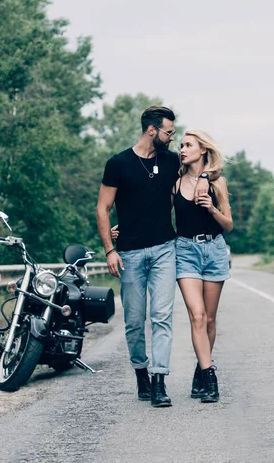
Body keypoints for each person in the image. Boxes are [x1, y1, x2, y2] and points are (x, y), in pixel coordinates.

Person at [96, 106, 209, 407]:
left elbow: (198, 172)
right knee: (134, 321)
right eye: (169, 133)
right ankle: (141, 372)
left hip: (164, 250)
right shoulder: (118, 163)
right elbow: (102, 208)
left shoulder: (172, 161)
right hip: (130, 254)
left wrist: (211, 196)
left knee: (162, 318)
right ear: (151, 131)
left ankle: (160, 381)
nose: (172, 138)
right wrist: (110, 249)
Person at [174, 130, 233, 403]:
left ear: (203, 150)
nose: (182, 149)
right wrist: (124, 229)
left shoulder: (217, 183)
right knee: (196, 316)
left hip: (214, 250)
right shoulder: (175, 184)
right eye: (181, 145)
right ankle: (210, 377)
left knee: (209, 319)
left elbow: (229, 225)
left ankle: (200, 370)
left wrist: (211, 208)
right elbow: (155, 215)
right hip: (185, 252)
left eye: (188, 145)